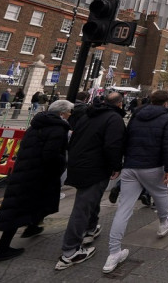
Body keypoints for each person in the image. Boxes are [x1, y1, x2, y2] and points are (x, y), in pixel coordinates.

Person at [0, 100, 72, 263]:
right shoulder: (57, 129)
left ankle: (32, 226)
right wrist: (63, 162)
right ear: (62, 114)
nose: (70, 115)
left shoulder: (35, 125)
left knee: (32, 203)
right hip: (38, 174)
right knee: (18, 208)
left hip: (25, 170)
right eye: (69, 112)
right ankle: (1, 249)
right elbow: (51, 155)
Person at [103, 90, 168, 274]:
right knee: (160, 193)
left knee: (124, 208)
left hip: (130, 165)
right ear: (166, 102)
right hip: (153, 165)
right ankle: (164, 221)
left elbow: (125, 139)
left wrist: (119, 164)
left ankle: (113, 254)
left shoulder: (136, 115)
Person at [55, 92, 125, 270]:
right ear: (120, 104)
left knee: (90, 200)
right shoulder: (114, 119)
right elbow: (113, 145)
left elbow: (75, 138)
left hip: (79, 163)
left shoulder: (88, 115)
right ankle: (70, 251)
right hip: (94, 167)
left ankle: (89, 229)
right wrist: (116, 166)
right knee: (83, 206)